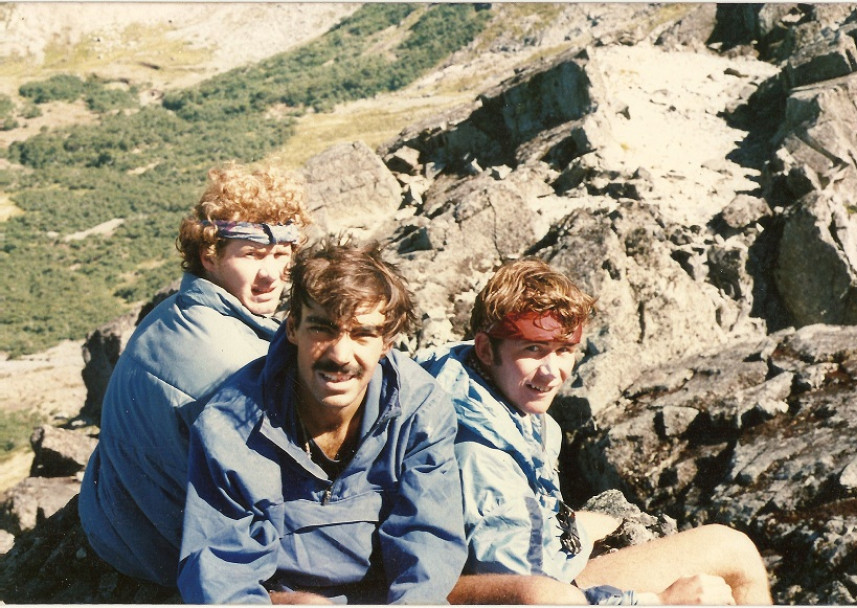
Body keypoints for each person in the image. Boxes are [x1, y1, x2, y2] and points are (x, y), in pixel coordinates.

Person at [418, 258, 774, 605]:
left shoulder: (476, 386)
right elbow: (531, 594)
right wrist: (656, 601)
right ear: (484, 348)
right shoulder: (482, 458)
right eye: (533, 349)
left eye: (564, 350)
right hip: (540, 586)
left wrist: (576, 526)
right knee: (735, 555)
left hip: (539, 566)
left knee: (718, 545)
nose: (552, 372)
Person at [177, 239, 467, 604]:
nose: (340, 355)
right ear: (293, 328)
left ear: (387, 341)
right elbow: (221, 578)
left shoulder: (419, 408)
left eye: (362, 334)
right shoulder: (230, 425)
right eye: (323, 329)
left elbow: (428, 544)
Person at [79, 162, 311, 588]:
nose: (271, 275)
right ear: (210, 254)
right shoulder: (232, 363)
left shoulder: (175, 312)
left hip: (113, 518)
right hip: (162, 550)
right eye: (252, 255)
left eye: (281, 255)